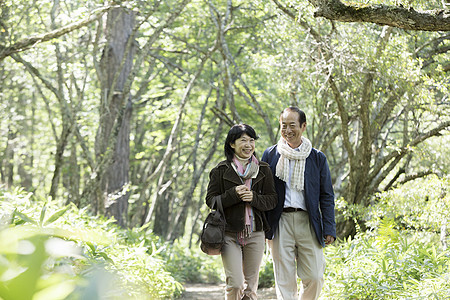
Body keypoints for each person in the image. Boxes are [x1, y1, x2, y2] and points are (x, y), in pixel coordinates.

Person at [261, 107, 336, 300]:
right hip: (280, 222)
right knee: (284, 280)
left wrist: (329, 227)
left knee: (315, 276)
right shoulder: (270, 155)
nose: (287, 130)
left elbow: (326, 195)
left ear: (303, 126)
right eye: (283, 125)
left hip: (308, 221)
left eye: (292, 125)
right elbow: (260, 192)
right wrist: (261, 227)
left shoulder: (317, 157)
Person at [205, 124, 278, 300]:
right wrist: (233, 195)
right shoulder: (221, 170)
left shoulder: (263, 169)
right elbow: (211, 201)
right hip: (229, 232)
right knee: (235, 284)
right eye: (243, 140)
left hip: (256, 232)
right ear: (232, 144)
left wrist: (253, 197)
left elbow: (272, 199)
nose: (248, 145)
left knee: (251, 288)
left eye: (251, 140)